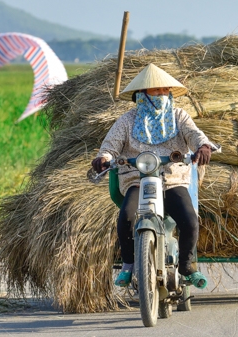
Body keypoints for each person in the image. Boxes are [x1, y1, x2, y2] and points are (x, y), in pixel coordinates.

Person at [91, 63, 216, 289]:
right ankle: (129, 264)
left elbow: (195, 135)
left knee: (189, 221)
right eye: (155, 90)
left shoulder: (179, 116)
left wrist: (203, 146)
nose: (161, 94)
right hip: (137, 179)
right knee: (126, 218)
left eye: (164, 90)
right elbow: (110, 146)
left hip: (171, 180)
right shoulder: (127, 121)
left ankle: (187, 267)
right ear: (141, 94)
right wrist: (104, 158)